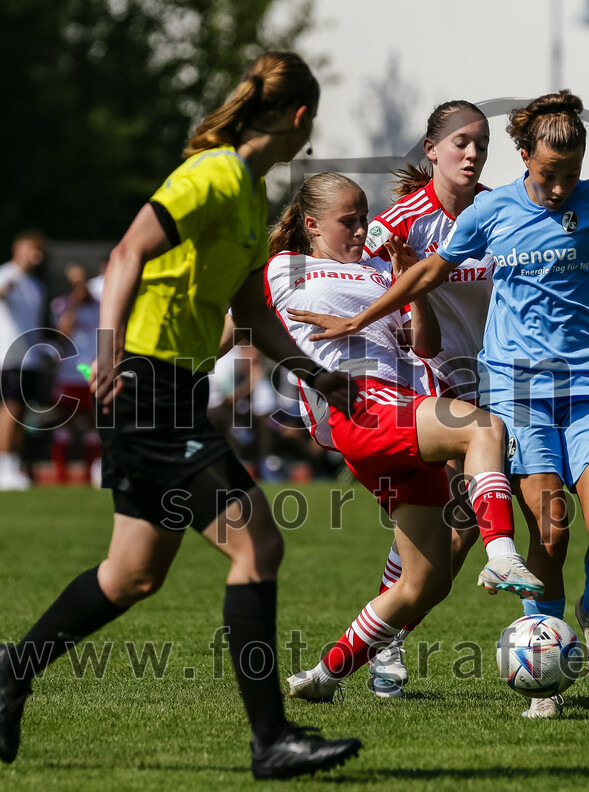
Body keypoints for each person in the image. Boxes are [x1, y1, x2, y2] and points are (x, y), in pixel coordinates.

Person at [288, 91, 589, 718]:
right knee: (544, 527)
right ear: (524, 158)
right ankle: (540, 673)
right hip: (508, 391)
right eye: (549, 174)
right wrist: (356, 323)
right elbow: (422, 275)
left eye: (571, 174)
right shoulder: (487, 212)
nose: (562, 187)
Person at [0, 52, 363, 780]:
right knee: (257, 544)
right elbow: (129, 249)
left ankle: (10, 674)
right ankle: (271, 739)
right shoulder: (215, 174)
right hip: (148, 387)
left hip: (175, 391)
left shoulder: (247, 196)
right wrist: (107, 354)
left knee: (131, 574)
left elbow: (252, 312)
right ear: (298, 119)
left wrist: (318, 375)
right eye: (312, 125)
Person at [250, 172, 541, 704]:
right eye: (348, 221)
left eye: (364, 217)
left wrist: (413, 284)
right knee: (482, 428)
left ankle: (323, 676)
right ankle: (502, 552)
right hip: (361, 406)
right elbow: (240, 323)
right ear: (311, 225)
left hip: (396, 412)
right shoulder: (285, 267)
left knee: (423, 584)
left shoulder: (382, 270)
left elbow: (425, 345)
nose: (363, 229)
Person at [359, 100, 493, 698]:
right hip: (426, 379)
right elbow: (358, 294)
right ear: (431, 149)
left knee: (453, 535)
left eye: (481, 144)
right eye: (461, 142)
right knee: (456, 521)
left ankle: (386, 632)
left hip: (495, 380)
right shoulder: (398, 225)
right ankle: (386, 637)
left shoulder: (502, 211)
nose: (472, 153)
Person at [0, 231, 48, 490]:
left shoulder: (37, 285)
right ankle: (3, 466)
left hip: (31, 359)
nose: (36, 256)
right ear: (18, 248)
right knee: (10, 410)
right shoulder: (5, 274)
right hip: (8, 355)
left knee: (23, 415)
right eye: (33, 249)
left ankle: (14, 466)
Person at [48, 264, 103, 485]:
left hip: (93, 372)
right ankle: (61, 474)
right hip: (69, 373)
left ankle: (92, 472)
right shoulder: (60, 304)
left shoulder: (101, 305)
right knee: (64, 423)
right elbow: (62, 335)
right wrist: (74, 306)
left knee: (95, 423)